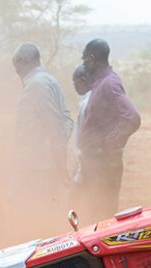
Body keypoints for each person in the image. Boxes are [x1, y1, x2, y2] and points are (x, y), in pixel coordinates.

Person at [77, 38, 142, 219]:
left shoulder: (109, 84)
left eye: (84, 60)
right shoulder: (101, 82)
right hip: (96, 162)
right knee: (94, 212)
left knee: (101, 214)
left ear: (92, 59)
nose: (83, 64)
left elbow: (132, 117)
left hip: (103, 164)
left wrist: (110, 143)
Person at [12, 43, 74, 224]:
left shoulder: (37, 85)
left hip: (39, 165)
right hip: (44, 163)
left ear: (23, 61)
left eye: (16, 66)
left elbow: (55, 128)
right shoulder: (48, 80)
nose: (16, 71)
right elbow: (64, 121)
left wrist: (60, 164)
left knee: (39, 212)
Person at [68, 65, 93, 204]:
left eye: (75, 82)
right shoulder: (88, 101)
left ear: (83, 80)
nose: (74, 86)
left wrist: (80, 167)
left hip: (85, 162)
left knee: (73, 201)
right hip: (84, 162)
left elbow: (84, 138)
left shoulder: (87, 103)